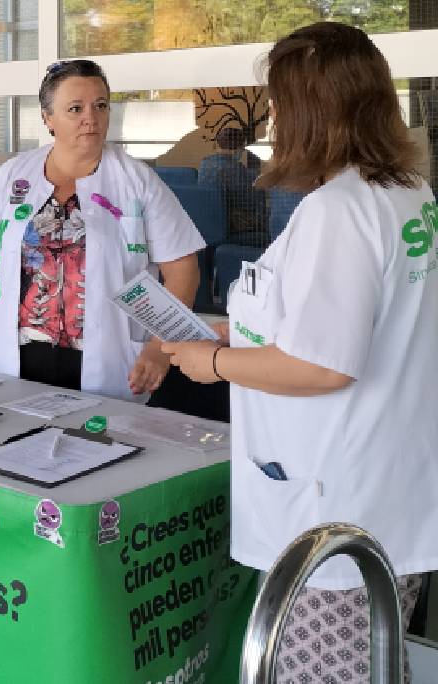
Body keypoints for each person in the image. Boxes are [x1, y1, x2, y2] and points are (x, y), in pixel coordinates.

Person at [162, 22, 437, 684]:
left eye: (281, 101)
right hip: (387, 496)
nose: (274, 117)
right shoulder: (406, 193)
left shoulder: (338, 210)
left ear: (317, 108)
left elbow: (323, 365)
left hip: (335, 510)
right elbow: (358, 319)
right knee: (377, 664)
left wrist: (214, 364)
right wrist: (236, 330)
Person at [0, 60, 204, 401]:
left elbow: (183, 268)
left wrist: (160, 347)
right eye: (75, 108)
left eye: (101, 105)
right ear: (48, 118)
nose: (91, 117)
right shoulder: (15, 175)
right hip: (18, 354)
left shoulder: (137, 180)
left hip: (107, 359)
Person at [198, 126, 266, 245]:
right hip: (232, 222)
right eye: (243, 148)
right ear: (237, 149)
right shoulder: (236, 169)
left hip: (208, 220)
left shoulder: (205, 163)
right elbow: (251, 203)